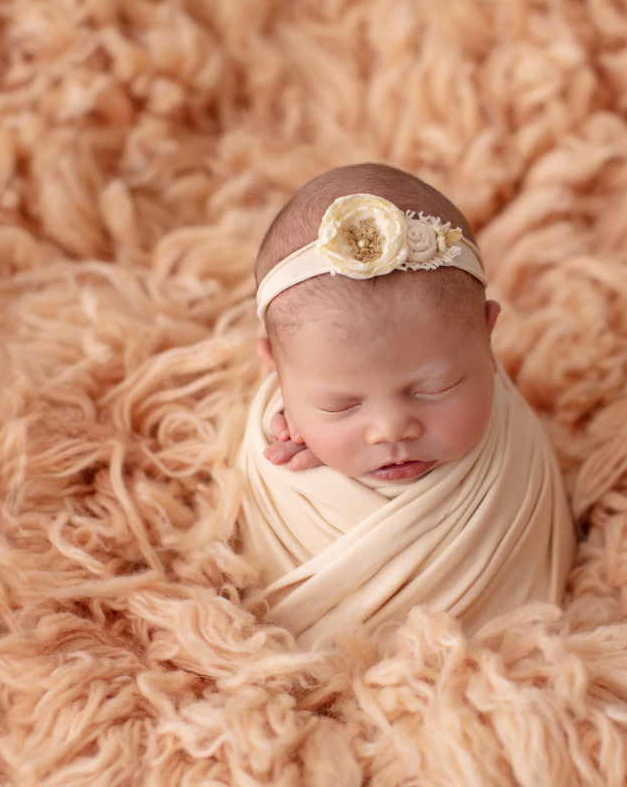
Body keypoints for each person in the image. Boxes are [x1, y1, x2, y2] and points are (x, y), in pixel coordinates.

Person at [239, 162, 576, 649]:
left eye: (432, 389)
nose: (391, 430)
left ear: (486, 337)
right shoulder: (275, 454)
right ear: (276, 371)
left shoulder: (509, 450)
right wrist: (311, 467)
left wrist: (329, 428)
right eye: (341, 405)